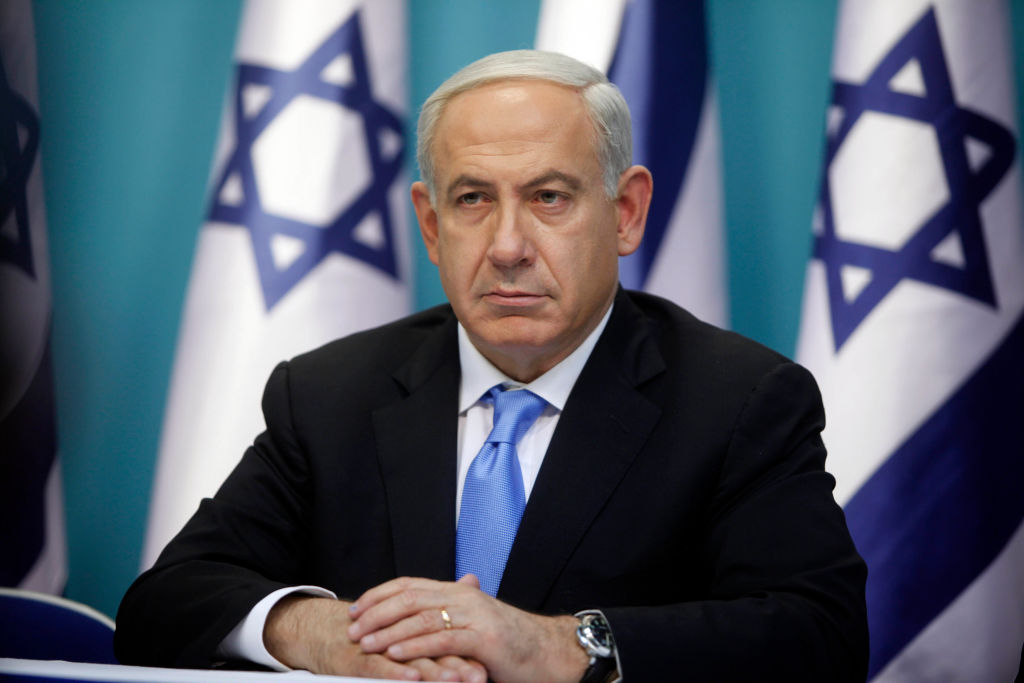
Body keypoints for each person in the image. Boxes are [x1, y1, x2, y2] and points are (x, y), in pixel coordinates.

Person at [115, 50, 868, 682]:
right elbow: (166, 602)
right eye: (473, 199)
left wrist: (561, 644)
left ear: (627, 212)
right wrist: (329, 636)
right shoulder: (328, 393)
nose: (508, 245)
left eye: (548, 196)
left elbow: (821, 636)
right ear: (432, 224)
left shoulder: (737, 400)